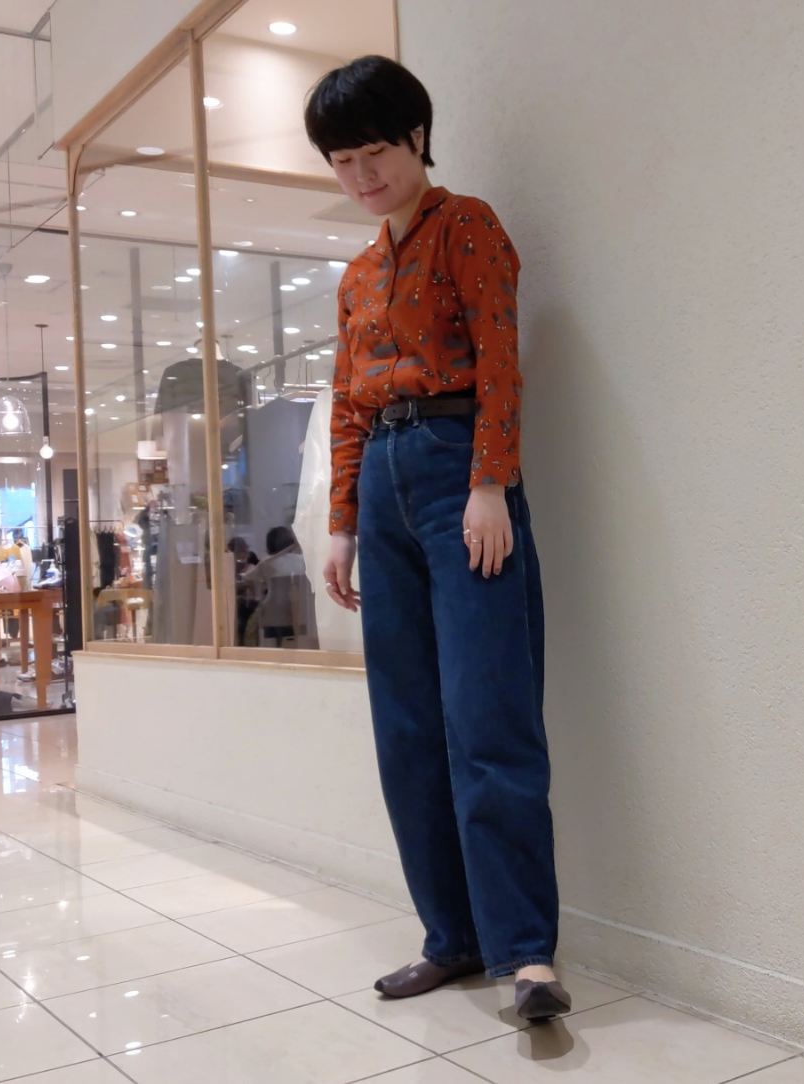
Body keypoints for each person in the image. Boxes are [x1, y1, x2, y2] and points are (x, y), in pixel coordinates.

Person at [305, 55, 569, 1022]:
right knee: (407, 725)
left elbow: (500, 357)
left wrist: (491, 480)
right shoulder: (357, 274)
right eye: (343, 161)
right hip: (382, 479)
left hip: (460, 466)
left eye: (375, 150)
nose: (362, 174)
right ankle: (450, 937)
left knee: (489, 713)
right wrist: (339, 524)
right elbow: (347, 403)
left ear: (417, 137)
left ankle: (525, 953)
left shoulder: (467, 226)